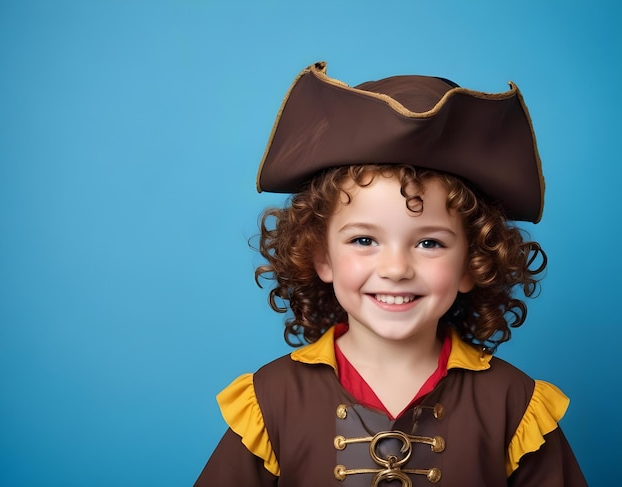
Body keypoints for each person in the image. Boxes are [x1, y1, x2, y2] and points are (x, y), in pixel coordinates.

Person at [194, 62, 587, 486]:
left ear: (472, 264)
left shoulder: (516, 405)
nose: (396, 269)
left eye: (429, 243)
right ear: (320, 256)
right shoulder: (270, 400)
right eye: (364, 240)